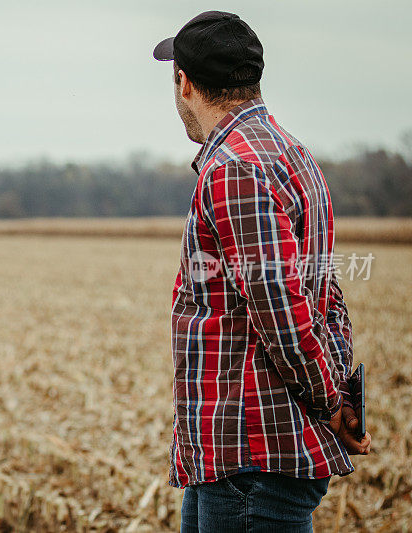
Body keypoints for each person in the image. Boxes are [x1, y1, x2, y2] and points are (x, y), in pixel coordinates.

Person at [152, 11, 372, 532]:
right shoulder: (291, 152)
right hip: (236, 452)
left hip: (252, 450)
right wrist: (335, 389)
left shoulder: (235, 167)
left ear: (184, 82)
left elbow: (281, 306)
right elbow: (326, 289)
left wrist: (330, 401)